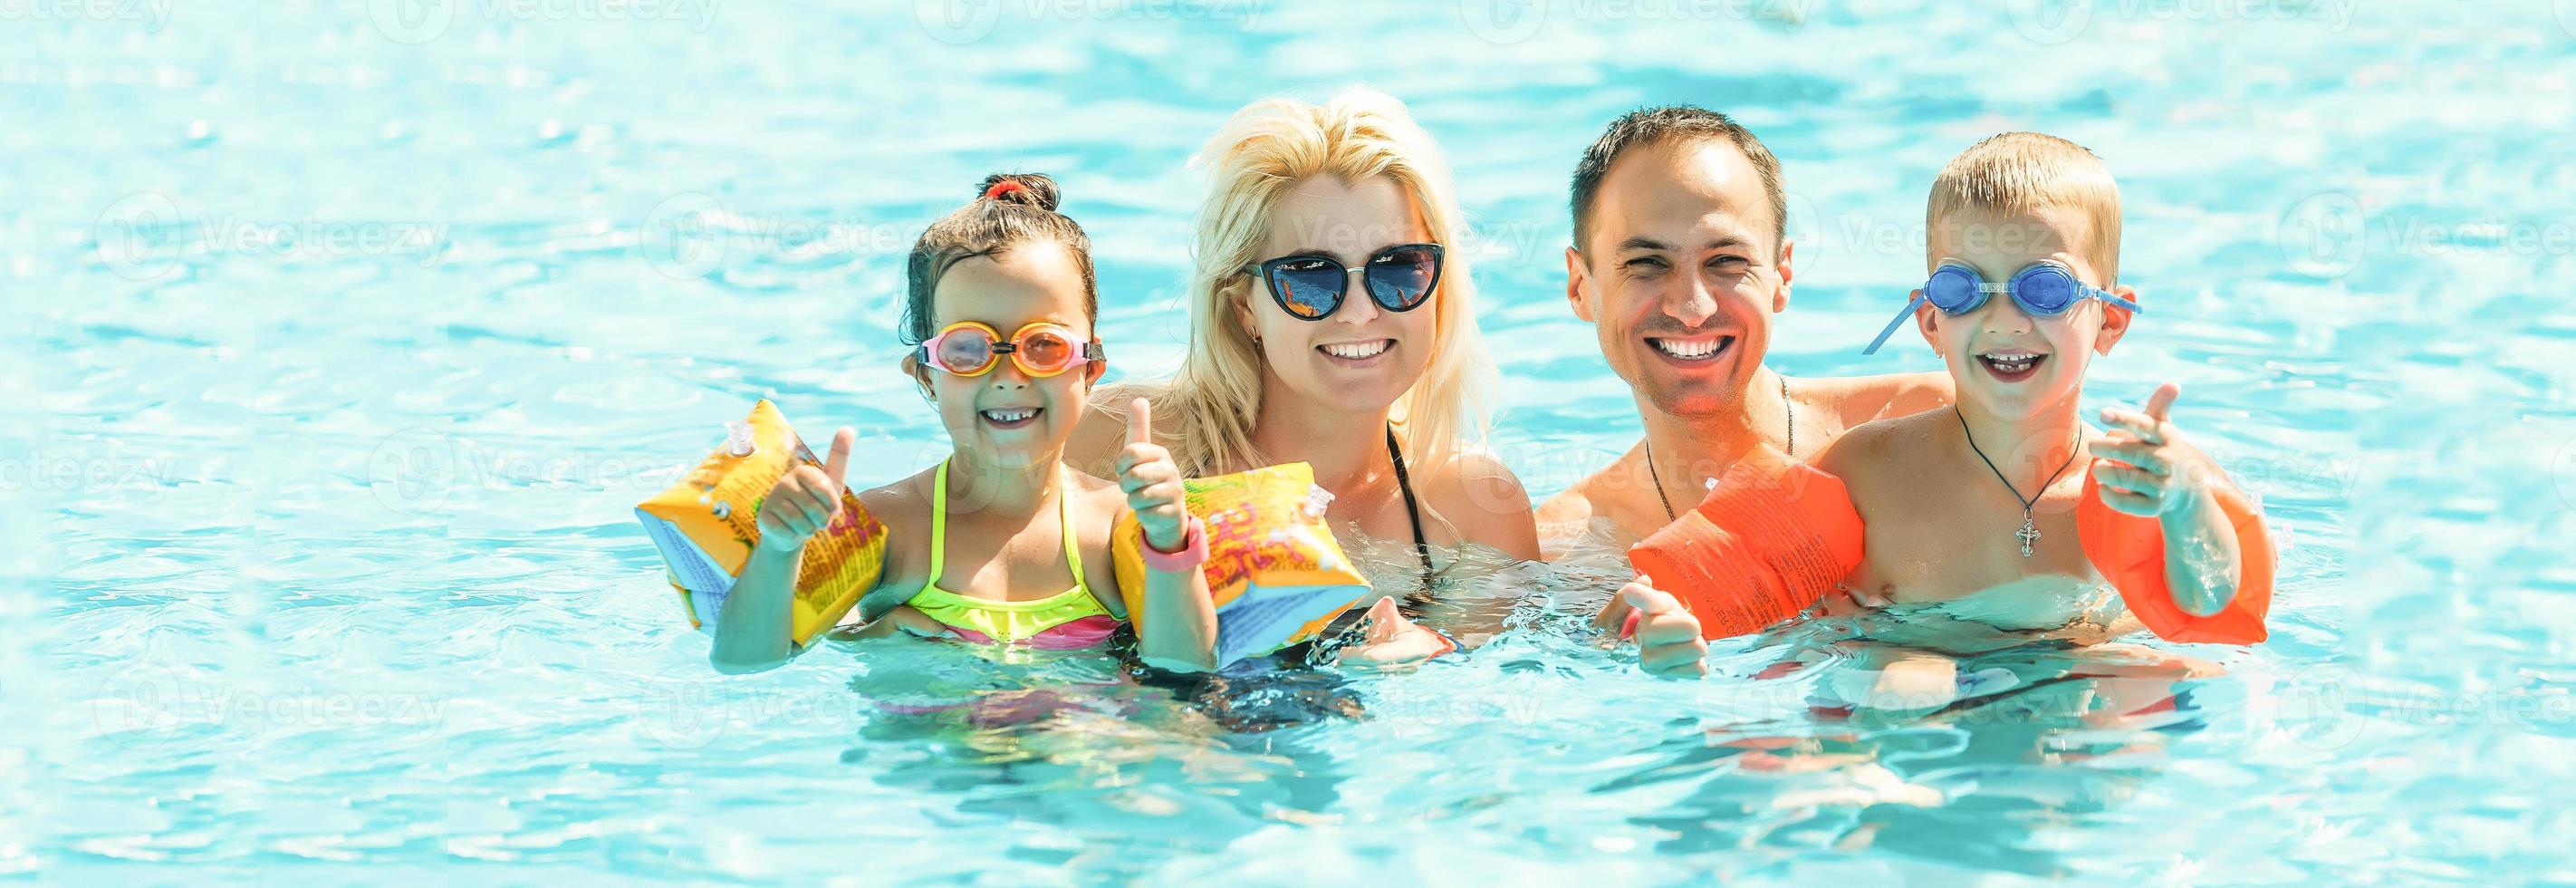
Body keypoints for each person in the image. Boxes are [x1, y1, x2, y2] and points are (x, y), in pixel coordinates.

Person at [1627, 132, 2275, 673]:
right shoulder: (1866, 474)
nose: (2003, 318)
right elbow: (1686, 599)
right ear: (1931, 320)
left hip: (2082, 681)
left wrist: (2187, 504)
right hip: (1909, 681)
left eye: (2044, 289)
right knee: (1908, 682)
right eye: (1964, 288)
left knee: (2158, 674)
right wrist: (1658, 632)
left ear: (2110, 321)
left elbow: (2211, 603)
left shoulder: (2149, 478)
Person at [1068, 89, 1541, 662]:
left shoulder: (1472, 506)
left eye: (1399, 269)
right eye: (1311, 278)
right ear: (1244, 308)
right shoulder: (1120, 442)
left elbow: (1487, 704)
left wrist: (1424, 654)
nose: (1362, 310)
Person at [708, 174, 1220, 674]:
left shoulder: (1115, 526)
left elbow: (1185, 666)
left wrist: (1170, 541)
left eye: (1044, 345)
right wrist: (779, 549)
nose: (1008, 375)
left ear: (1090, 370)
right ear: (927, 378)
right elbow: (744, 659)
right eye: (967, 349)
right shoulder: (890, 529)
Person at [1537, 106, 1952, 676]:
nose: (1692, 308)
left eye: (1727, 262)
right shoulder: (1570, 551)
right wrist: (1617, 660)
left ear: (1782, 275)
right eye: (1646, 264)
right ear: (1581, 286)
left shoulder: (1932, 427)